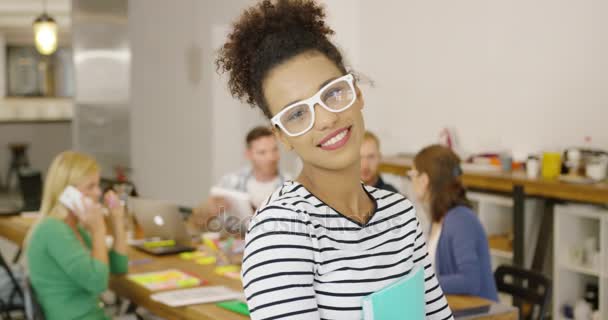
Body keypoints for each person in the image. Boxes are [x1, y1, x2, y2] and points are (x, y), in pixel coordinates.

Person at [216, 1, 454, 319]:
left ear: (356, 92)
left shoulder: (400, 215)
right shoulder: (279, 232)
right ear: (282, 135)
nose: (326, 119)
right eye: (297, 113)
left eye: (332, 93)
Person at [25, 151, 129, 320]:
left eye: (98, 185)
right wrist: (98, 231)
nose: (98, 193)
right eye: (90, 186)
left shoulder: (73, 228)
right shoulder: (53, 230)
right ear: (67, 193)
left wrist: (117, 220)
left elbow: (118, 267)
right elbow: (98, 283)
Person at [409, 145, 498, 301]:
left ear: (424, 180)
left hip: (478, 314)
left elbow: (470, 281)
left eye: (413, 174)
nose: (412, 180)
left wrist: (420, 282)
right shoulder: (440, 217)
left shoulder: (461, 220)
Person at [189, 126, 288, 229]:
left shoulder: (291, 184)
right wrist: (209, 210)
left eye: (275, 150)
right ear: (248, 155)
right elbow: (197, 222)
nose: (271, 157)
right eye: (262, 152)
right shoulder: (230, 182)